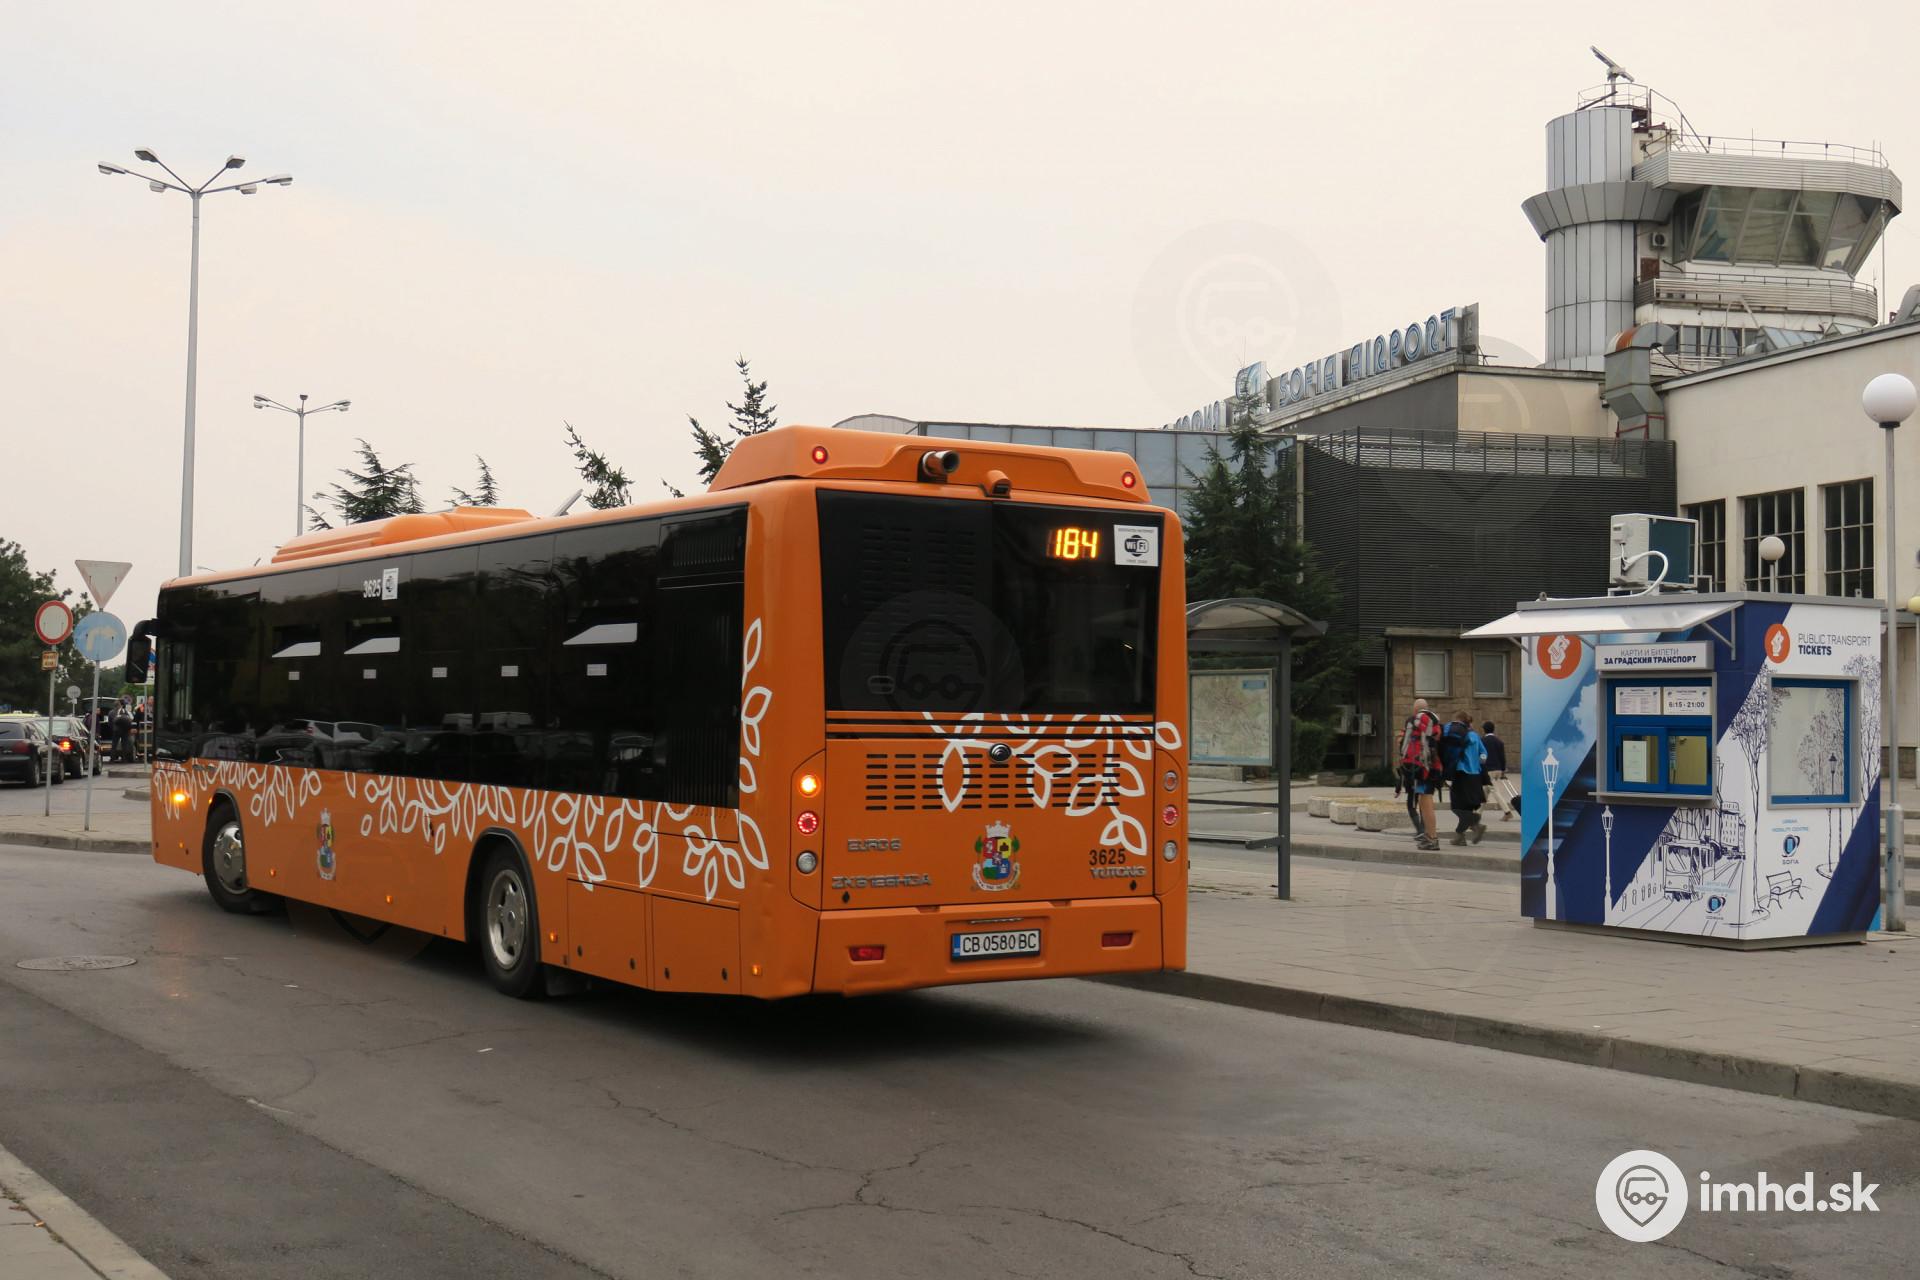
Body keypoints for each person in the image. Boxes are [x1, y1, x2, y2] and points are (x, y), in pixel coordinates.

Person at [1397, 698, 1443, 850]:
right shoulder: (1435, 721)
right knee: (1424, 801)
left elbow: (1404, 745)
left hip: (1422, 768)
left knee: (1426, 801)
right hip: (1434, 767)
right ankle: (1429, 836)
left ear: (1415, 710)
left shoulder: (1414, 720)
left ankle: (1432, 838)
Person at [1442, 712, 1488, 844]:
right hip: (1475, 775)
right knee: (1466, 807)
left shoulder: (1458, 736)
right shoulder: (1475, 735)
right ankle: (1460, 836)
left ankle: (1476, 823)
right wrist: (1476, 762)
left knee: (1456, 806)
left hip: (1461, 773)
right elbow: (1484, 754)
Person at [1481, 720, 1516, 820]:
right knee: (1485, 791)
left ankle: (1507, 812)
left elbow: (1482, 756)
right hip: (1497, 770)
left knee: (1494, 790)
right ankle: (1476, 814)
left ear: (1484, 730)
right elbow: (1502, 757)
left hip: (1488, 770)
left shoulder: (1482, 741)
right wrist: (1503, 769)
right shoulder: (1499, 741)